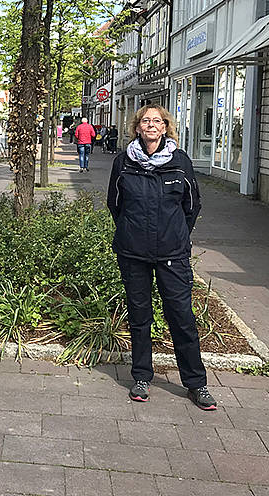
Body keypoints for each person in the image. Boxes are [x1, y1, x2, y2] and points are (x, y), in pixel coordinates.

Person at [106, 104, 217, 411]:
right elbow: (115, 204)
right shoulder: (123, 161)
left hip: (172, 253)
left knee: (182, 317)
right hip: (134, 252)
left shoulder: (181, 162)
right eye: (146, 121)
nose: (151, 125)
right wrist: (133, 231)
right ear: (137, 128)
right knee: (140, 317)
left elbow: (191, 205)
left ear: (166, 127)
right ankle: (141, 377)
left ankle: (196, 384)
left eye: (157, 121)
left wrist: (176, 233)